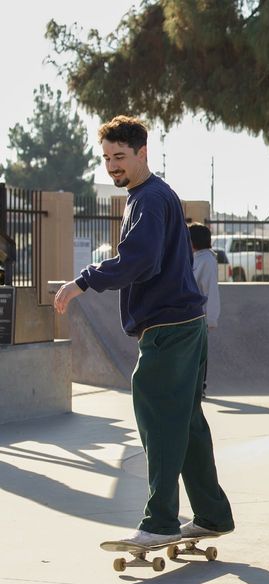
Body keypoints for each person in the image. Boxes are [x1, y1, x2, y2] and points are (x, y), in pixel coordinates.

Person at [53, 115, 234, 547]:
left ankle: (160, 522)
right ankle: (211, 513)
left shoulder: (149, 199)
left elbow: (140, 260)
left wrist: (84, 280)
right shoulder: (149, 196)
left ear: (142, 153)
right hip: (182, 323)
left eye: (121, 157)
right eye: (107, 159)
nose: (113, 166)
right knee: (186, 423)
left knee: (159, 422)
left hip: (169, 328)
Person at [189, 222, 220, 397]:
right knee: (192, 352)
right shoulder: (196, 258)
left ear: (193, 242)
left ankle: (200, 386)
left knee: (199, 352)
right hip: (191, 313)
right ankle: (194, 385)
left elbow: (211, 291)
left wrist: (211, 318)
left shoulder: (206, 260)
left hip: (201, 315)